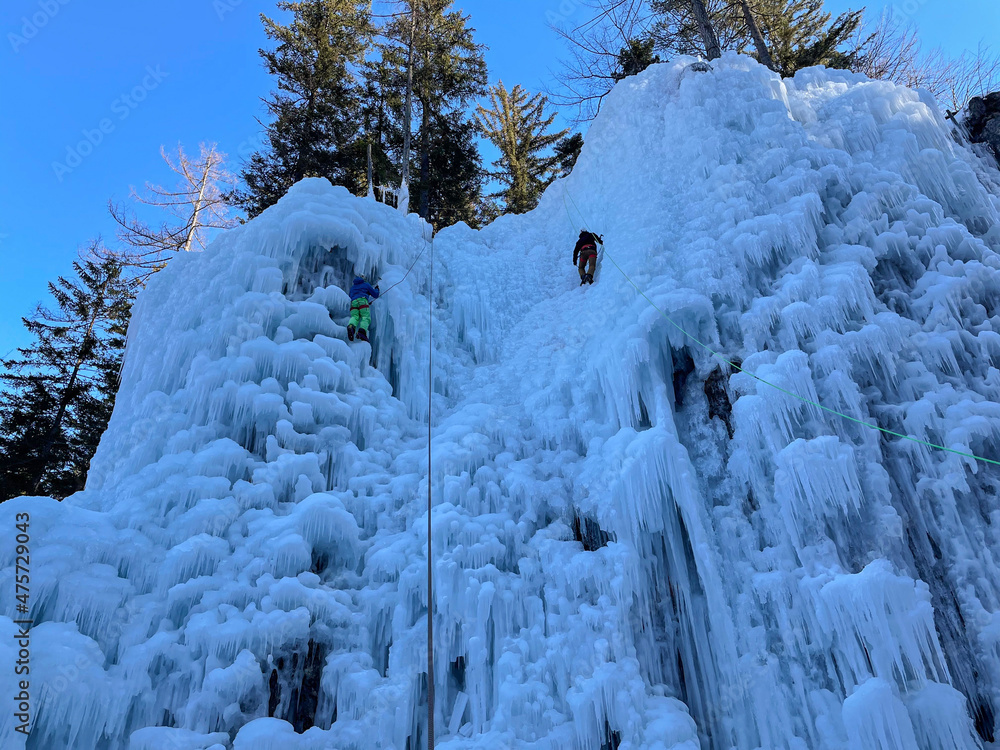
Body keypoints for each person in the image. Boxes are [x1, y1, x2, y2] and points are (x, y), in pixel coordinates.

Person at [348, 273, 380, 342]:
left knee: (355, 316)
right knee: (366, 317)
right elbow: (375, 294)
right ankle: (361, 331)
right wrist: (377, 289)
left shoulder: (352, 288)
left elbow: (350, 296)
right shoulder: (366, 284)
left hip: (353, 302)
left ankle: (351, 326)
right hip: (363, 301)